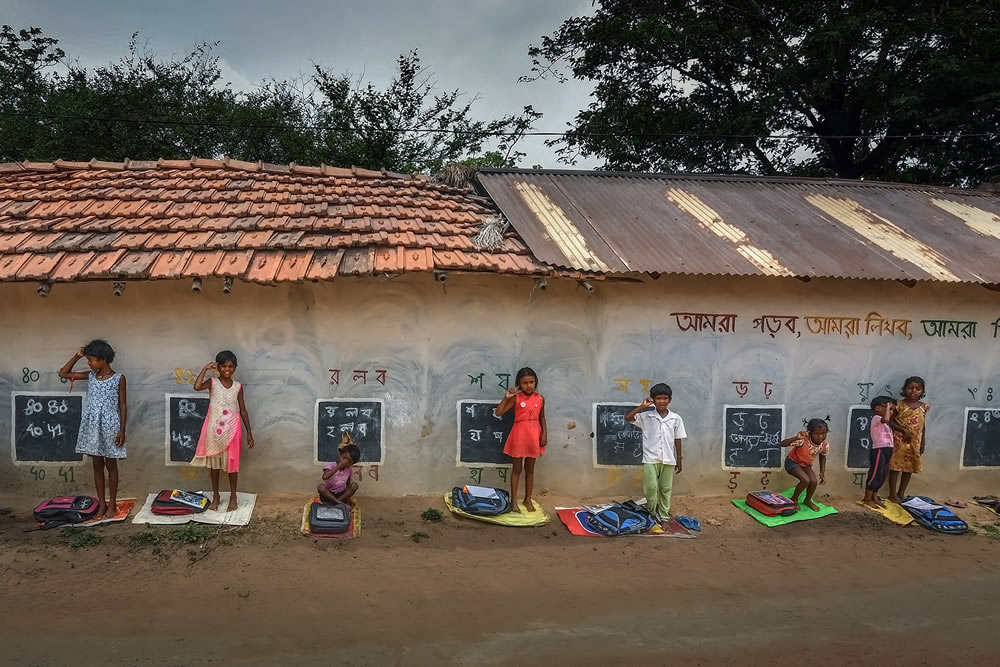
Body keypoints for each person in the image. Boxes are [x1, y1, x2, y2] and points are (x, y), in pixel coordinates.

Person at [58, 340, 127, 519]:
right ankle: (101, 504)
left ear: (103, 359)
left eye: (91, 359)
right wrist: (77, 356)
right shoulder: (90, 376)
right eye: (88, 359)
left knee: (111, 464)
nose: (89, 362)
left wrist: (122, 430)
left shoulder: (119, 378)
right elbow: (63, 373)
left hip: (111, 424)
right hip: (92, 425)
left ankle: (112, 504)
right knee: (97, 465)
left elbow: (123, 405)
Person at [191, 350, 255, 512]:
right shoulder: (212, 383)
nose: (228, 369)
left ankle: (233, 496)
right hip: (214, 431)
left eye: (231, 366)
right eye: (224, 366)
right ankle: (216, 496)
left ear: (235, 368)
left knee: (232, 465)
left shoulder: (238, 387)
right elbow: (197, 387)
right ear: (218, 367)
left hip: (233, 430)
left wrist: (249, 432)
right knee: (215, 466)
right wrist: (205, 369)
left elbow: (243, 410)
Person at [625, 383, 686, 522]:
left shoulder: (676, 418)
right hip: (650, 458)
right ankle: (652, 512)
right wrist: (642, 407)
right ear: (652, 399)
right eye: (658, 398)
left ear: (670, 400)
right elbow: (628, 418)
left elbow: (678, 439)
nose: (662, 401)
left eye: (665, 398)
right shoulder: (646, 416)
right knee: (651, 489)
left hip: (669, 460)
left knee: (665, 489)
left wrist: (679, 459)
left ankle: (664, 515)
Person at [496, 367, 547, 513]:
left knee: (530, 470)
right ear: (519, 384)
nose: (529, 385)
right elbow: (499, 412)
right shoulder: (516, 398)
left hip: (534, 436)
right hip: (519, 436)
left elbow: (542, 417)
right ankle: (514, 501)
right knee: (517, 469)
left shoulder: (540, 398)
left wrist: (544, 434)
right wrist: (506, 398)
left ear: (536, 382)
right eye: (525, 383)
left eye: (531, 382)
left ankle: (527, 499)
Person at [888, 376, 929, 504]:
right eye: (910, 388)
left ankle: (901, 492)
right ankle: (892, 494)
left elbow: (923, 425)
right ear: (904, 389)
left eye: (918, 389)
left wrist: (922, 442)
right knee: (895, 467)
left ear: (922, 391)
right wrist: (903, 430)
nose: (914, 391)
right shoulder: (899, 405)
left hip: (915, 442)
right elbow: (889, 421)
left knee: (909, 468)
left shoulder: (924, 407)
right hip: (899, 441)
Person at [780, 418, 830, 511]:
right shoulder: (802, 440)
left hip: (805, 465)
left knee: (814, 481)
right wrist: (796, 438)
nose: (820, 436)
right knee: (805, 480)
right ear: (809, 433)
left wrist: (822, 472)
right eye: (817, 434)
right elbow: (782, 444)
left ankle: (807, 500)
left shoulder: (824, 445)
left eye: (823, 433)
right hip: (792, 462)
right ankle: (794, 499)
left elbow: (823, 456)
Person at [863, 396, 896, 509]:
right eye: (888, 408)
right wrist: (888, 405)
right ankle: (867, 498)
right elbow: (886, 418)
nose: (891, 411)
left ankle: (874, 497)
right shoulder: (877, 418)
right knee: (875, 474)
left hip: (887, 450)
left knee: (882, 475)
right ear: (878, 408)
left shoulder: (887, 424)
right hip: (879, 450)